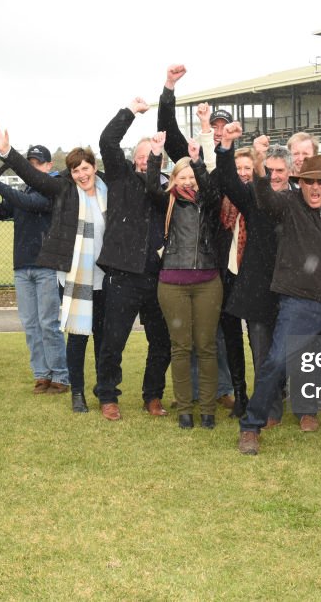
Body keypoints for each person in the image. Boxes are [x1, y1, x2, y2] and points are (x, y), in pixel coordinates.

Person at [236, 154, 321, 456]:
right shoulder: (289, 205)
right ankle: (251, 427)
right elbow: (265, 196)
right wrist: (257, 167)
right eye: (309, 182)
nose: (316, 188)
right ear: (300, 183)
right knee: (276, 362)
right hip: (299, 302)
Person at [0, 127, 108, 415]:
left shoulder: (73, 191)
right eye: (76, 169)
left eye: (38, 163)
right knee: (45, 327)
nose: (82, 174)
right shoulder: (57, 189)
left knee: (61, 326)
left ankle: (74, 381)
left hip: (70, 270)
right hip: (45, 268)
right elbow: (10, 206)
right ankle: (49, 378)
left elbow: (29, 200)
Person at [158, 67, 237, 412]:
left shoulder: (229, 158)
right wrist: (169, 88)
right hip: (184, 260)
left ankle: (220, 389)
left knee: (215, 335)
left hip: (217, 258)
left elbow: (219, 182)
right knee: (185, 337)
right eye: (213, 126)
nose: (218, 131)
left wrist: (208, 134)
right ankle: (188, 394)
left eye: (223, 126)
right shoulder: (189, 157)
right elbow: (167, 127)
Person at [93, 96, 175, 421]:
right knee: (113, 340)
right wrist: (131, 112)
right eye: (141, 156)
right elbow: (107, 140)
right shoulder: (119, 177)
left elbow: (156, 192)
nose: (144, 161)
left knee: (162, 342)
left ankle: (152, 396)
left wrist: (158, 157)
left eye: (151, 157)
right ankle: (108, 396)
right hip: (123, 275)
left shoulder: (166, 190)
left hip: (157, 277)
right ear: (132, 159)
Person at [147, 134, 224, 429]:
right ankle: (184, 410)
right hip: (172, 282)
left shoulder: (208, 202)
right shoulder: (166, 202)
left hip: (207, 281)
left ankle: (207, 410)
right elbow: (151, 185)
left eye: (193, 175)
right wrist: (155, 156)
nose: (189, 180)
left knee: (206, 347)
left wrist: (198, 162)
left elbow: (213, 191)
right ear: (174, 178)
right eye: (183, 175)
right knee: (180, 347)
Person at [214, 138, 289, 427]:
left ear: (289, 172)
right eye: (268, 169)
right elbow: (229, 183)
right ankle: (269, 411)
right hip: (259, 290)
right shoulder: (252, 197)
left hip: (290, 290)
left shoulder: (297, 199)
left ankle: (284, 398)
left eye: (280, 170)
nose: (274, 175)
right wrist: (226, 147)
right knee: (261, 355)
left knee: (283, 356)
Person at [0, 145, 70, 397]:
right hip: (22, 266)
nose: (33, 168)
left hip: (46, 266)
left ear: (48, 167)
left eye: (38, 164)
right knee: (31, 324)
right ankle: (41, 374)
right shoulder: (23, 191)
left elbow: (29, 203)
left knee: (48, 323)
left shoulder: (53, 191)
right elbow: (0, 211)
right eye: (30, 163)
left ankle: (60, 375)